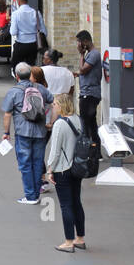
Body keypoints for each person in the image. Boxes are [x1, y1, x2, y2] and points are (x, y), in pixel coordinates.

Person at [2, 62, 53, 205]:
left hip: (22, 132)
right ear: (30, 74)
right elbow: (54, 103)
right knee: (37, 162)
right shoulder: (40, 88)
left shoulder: (14, 91)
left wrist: (6, 132)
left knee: (25, 164)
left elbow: (7, 114)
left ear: (16, 76)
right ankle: (36, 193)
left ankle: (30, 196)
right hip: (40, 132)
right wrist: (50, 122)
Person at [44, 92, 87, 253]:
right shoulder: (78, 119)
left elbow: (55, 150)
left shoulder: (60, 124)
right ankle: (80, 238)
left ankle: (68, 241)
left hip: (63, 168)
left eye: (55, 104)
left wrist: (49, 169)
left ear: (61, 106)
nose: (53, 107)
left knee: (65, 205)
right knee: (77, 202)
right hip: (77, 167)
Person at [75, 30, 103, 145]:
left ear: (85, 42)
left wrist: (81, 54)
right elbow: (83, 71)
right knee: (89, 121)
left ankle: (92, 147)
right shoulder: (90, 54)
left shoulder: (94, 54)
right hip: (87, 92)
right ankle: (92, 147)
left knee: (87, 121)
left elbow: (83, 69)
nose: (78, 45)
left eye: (79, 42)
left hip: (90, 94)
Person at [8, 0, 46, 73]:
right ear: (27, 1)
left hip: (21, 44)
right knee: (31, 67)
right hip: (33, 44)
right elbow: (43, 30)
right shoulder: (36, 12)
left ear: (18, 2)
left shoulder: (16, 14)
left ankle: (21, 83)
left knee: (17, 67)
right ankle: (30, 83)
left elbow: (13, 32)